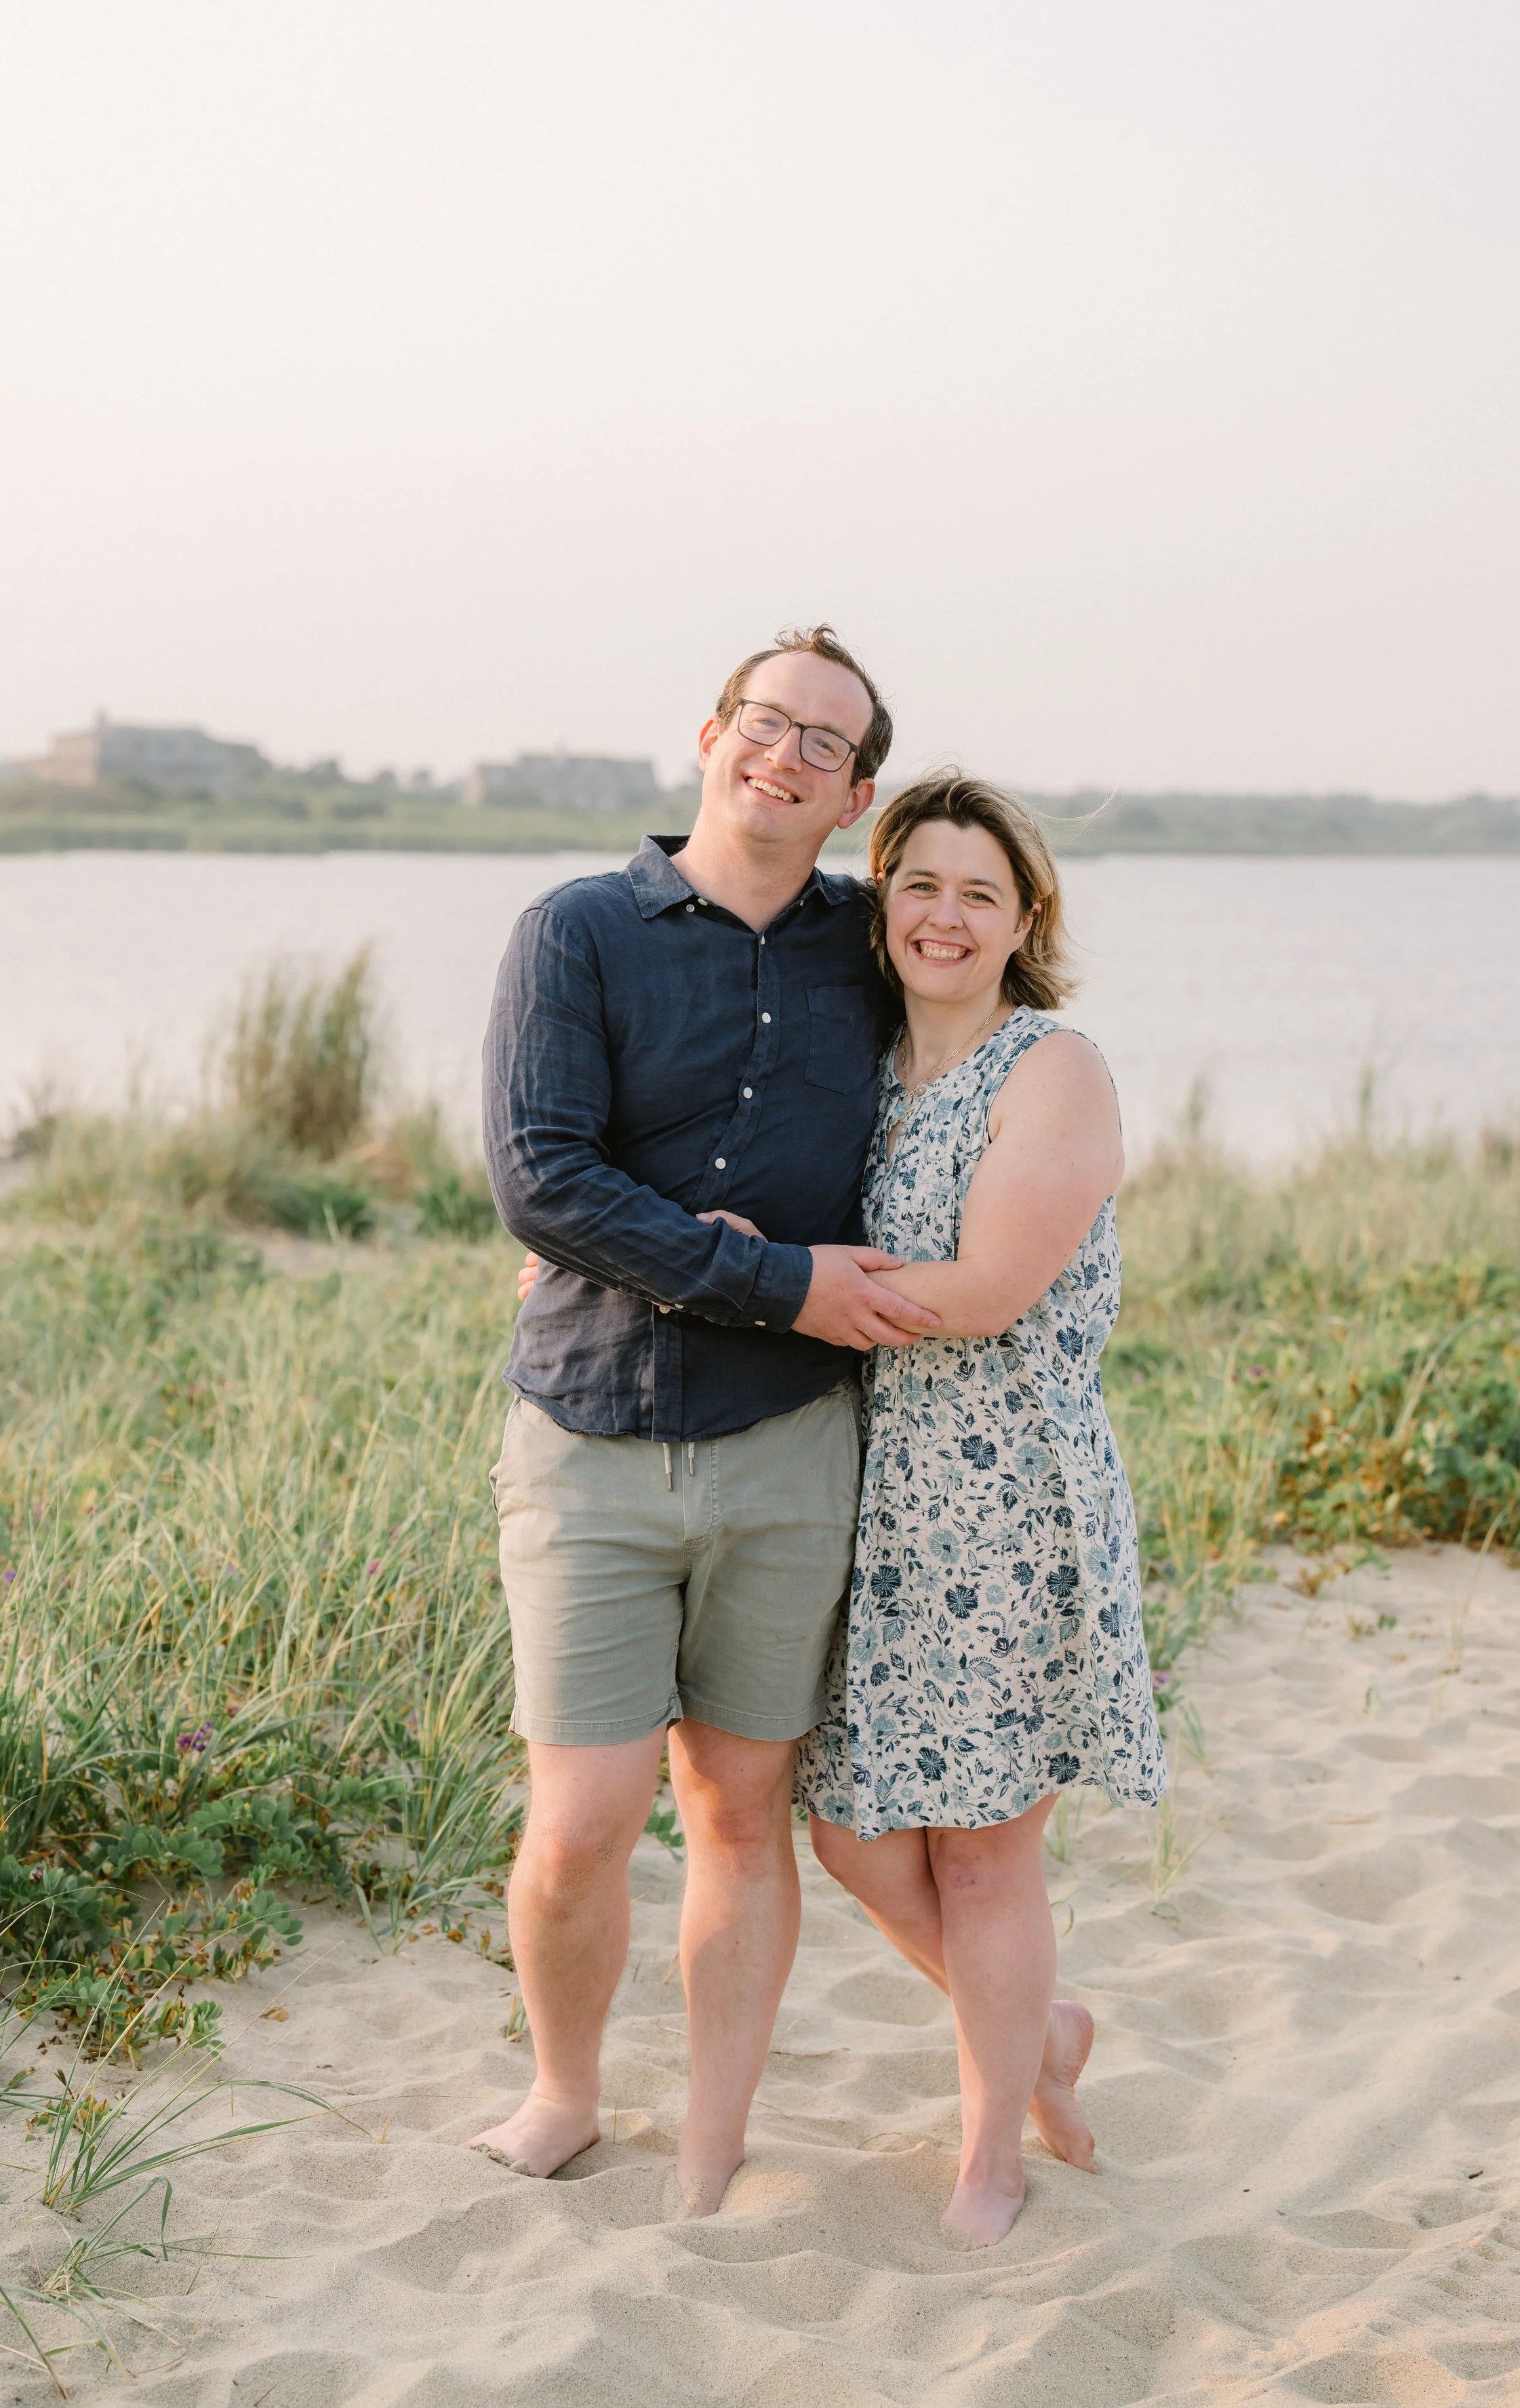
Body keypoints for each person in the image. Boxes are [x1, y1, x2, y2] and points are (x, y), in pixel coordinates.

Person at [471, 626, 940, 2215]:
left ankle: (714, 2135)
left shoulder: (874, 943)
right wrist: (776, 1280)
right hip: (590, 1427)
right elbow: (543, 1176)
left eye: (825, 743)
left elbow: (992, 1037)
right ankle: (563, 2088)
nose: (786, 754)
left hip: (793, 1440)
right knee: (585, 1815)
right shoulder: (577, 931)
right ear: (709, 733)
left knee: (742, 1807)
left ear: (855, 790)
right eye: (765, 721)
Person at [793, 774, 1167, 2248]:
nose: (943, 915)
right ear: (880, 904)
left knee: (980, 1846)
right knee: (853, 1834)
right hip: (872, 1492)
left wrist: (756, 1288)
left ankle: (989, 2153)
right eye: (918, 883)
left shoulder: (1049, 1068)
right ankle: (1041, 2028)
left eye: (976, 891)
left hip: (1007, 1495)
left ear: (1023, 919)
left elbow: (987, 1288)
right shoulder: (860, 1065)